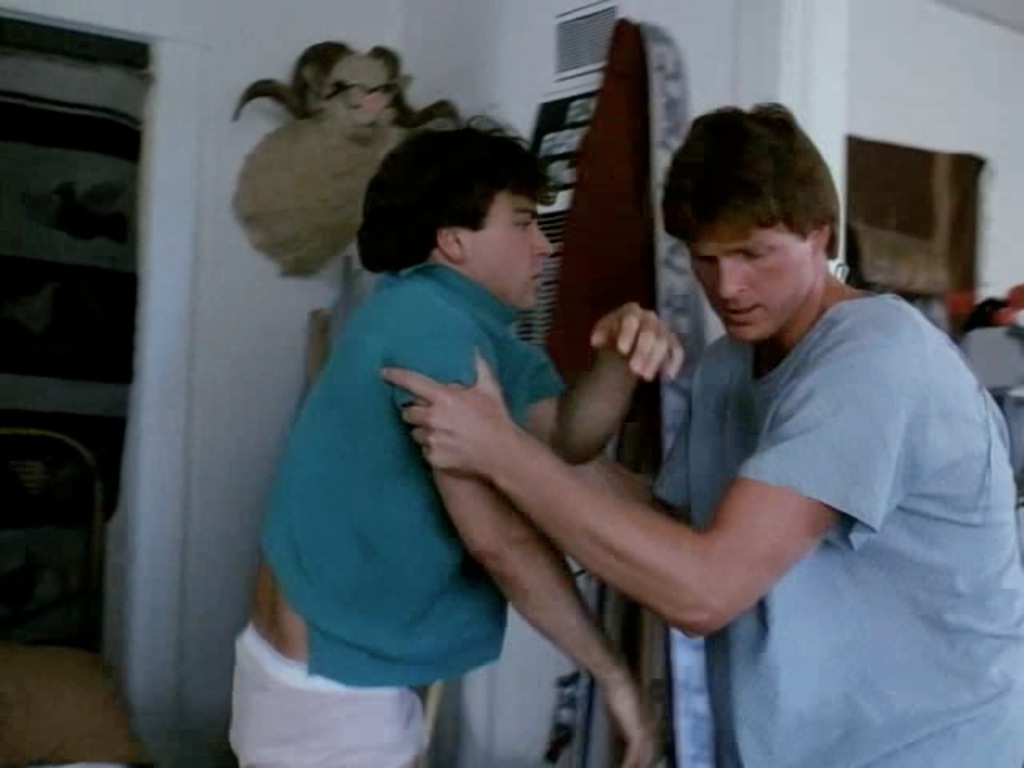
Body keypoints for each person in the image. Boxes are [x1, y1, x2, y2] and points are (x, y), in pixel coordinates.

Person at [383, 104, 1024, 767]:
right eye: (706, 257)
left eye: (754, 254)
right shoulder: (729, 363)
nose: (728, 287)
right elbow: (670, 532)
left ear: (820, 237)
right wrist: (552, 413)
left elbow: (703, 590)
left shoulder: (875, 360)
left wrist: (507, 455)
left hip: (934, 749)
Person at [229, 123, 682, 768]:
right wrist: (613, 676)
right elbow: (500, 541)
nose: (543, 245)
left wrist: (619, 358)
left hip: (327, 666)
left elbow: (564, 437)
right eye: (523, 223)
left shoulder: (469, 327)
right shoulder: (429, 327)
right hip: (330, 686)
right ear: (453, 240)